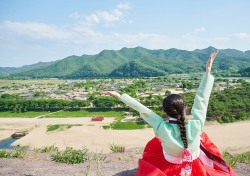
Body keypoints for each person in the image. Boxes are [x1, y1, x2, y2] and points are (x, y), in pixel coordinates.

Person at [103, 51, 236, 176]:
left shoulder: (161, 127)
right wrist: (207, 72)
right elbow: (202, 99)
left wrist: (119, 96)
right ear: (185, 107)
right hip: (194, 161)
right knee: (203, 138)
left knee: (155, 143)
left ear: (165, 111)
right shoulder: (196, 124)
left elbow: (143, 110)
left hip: (170, 162)